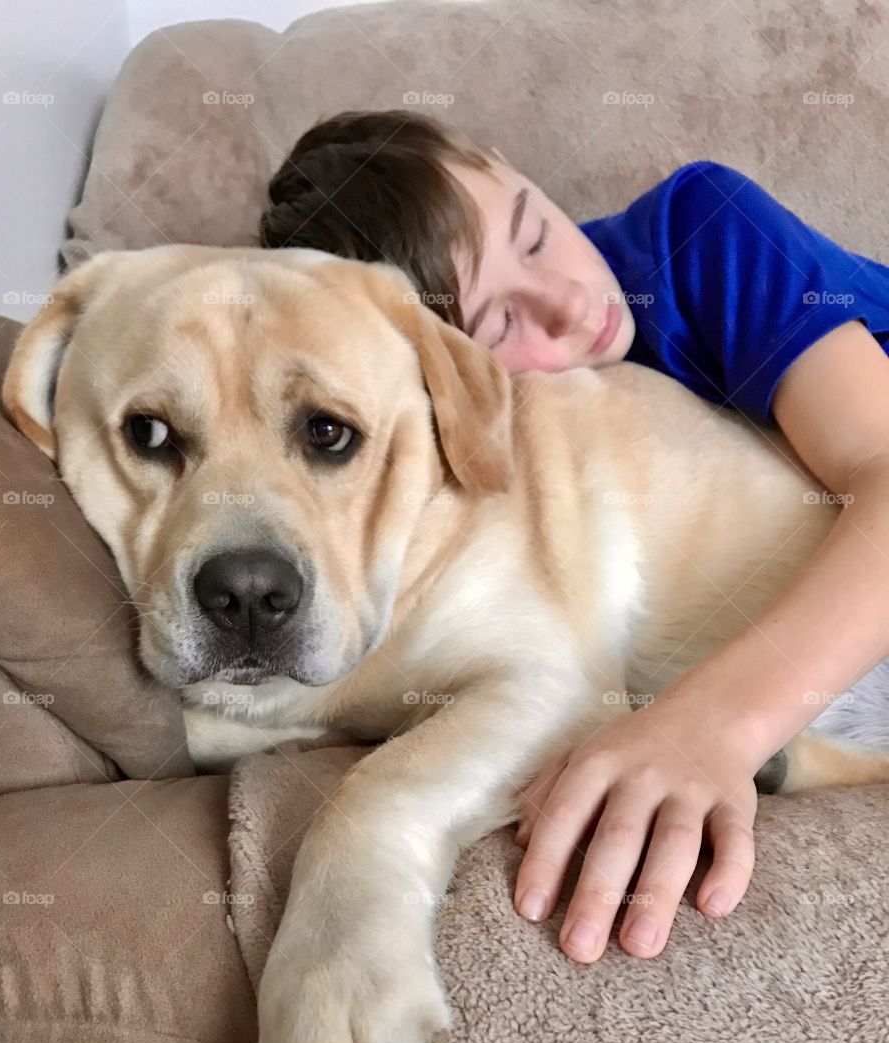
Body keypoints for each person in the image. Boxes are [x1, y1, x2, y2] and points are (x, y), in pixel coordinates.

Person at [260, 109, 889, 964]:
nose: (566, 304)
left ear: (510, 162)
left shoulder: (703, 229)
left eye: (533, 233)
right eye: (498, 326)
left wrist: (713, 728)